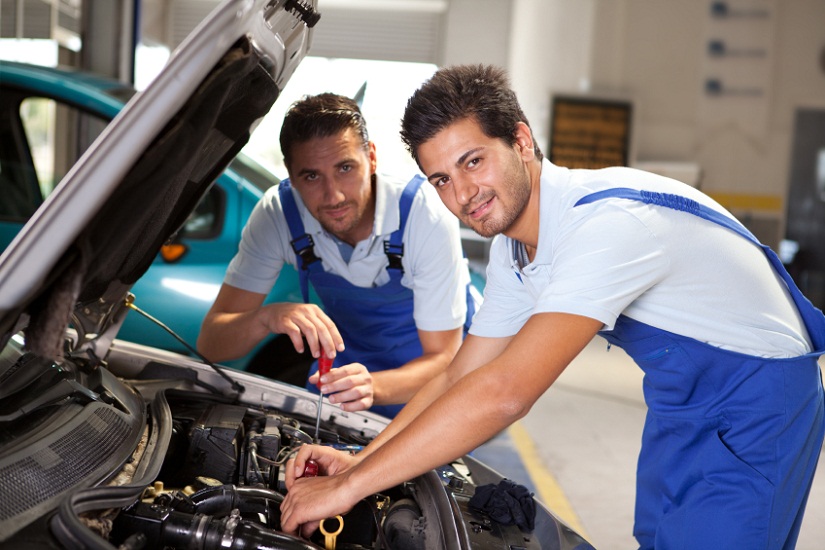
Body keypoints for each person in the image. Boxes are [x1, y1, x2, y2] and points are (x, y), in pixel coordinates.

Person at [278, 65, 825, 549]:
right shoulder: (517, 247)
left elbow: (505, 393)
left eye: (473, 161)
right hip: (681, 397)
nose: (463, 194)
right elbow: (462, 375)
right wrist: (361, 462)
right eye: (441, 178)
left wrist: (348, 489)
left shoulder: (602, 227)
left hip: (759, 401)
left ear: (520, 140)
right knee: (659, 538)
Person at [197, 93, 476, 419]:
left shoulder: (421, 213)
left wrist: (372, 386)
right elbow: (211, 344)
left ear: (371, 159)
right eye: (311, 176)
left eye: (345, 168)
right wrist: (267, 317)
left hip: (437, 380)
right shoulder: (279, 215)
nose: (334, 196)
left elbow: (444, 358)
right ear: (290, 174)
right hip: (351, 372)